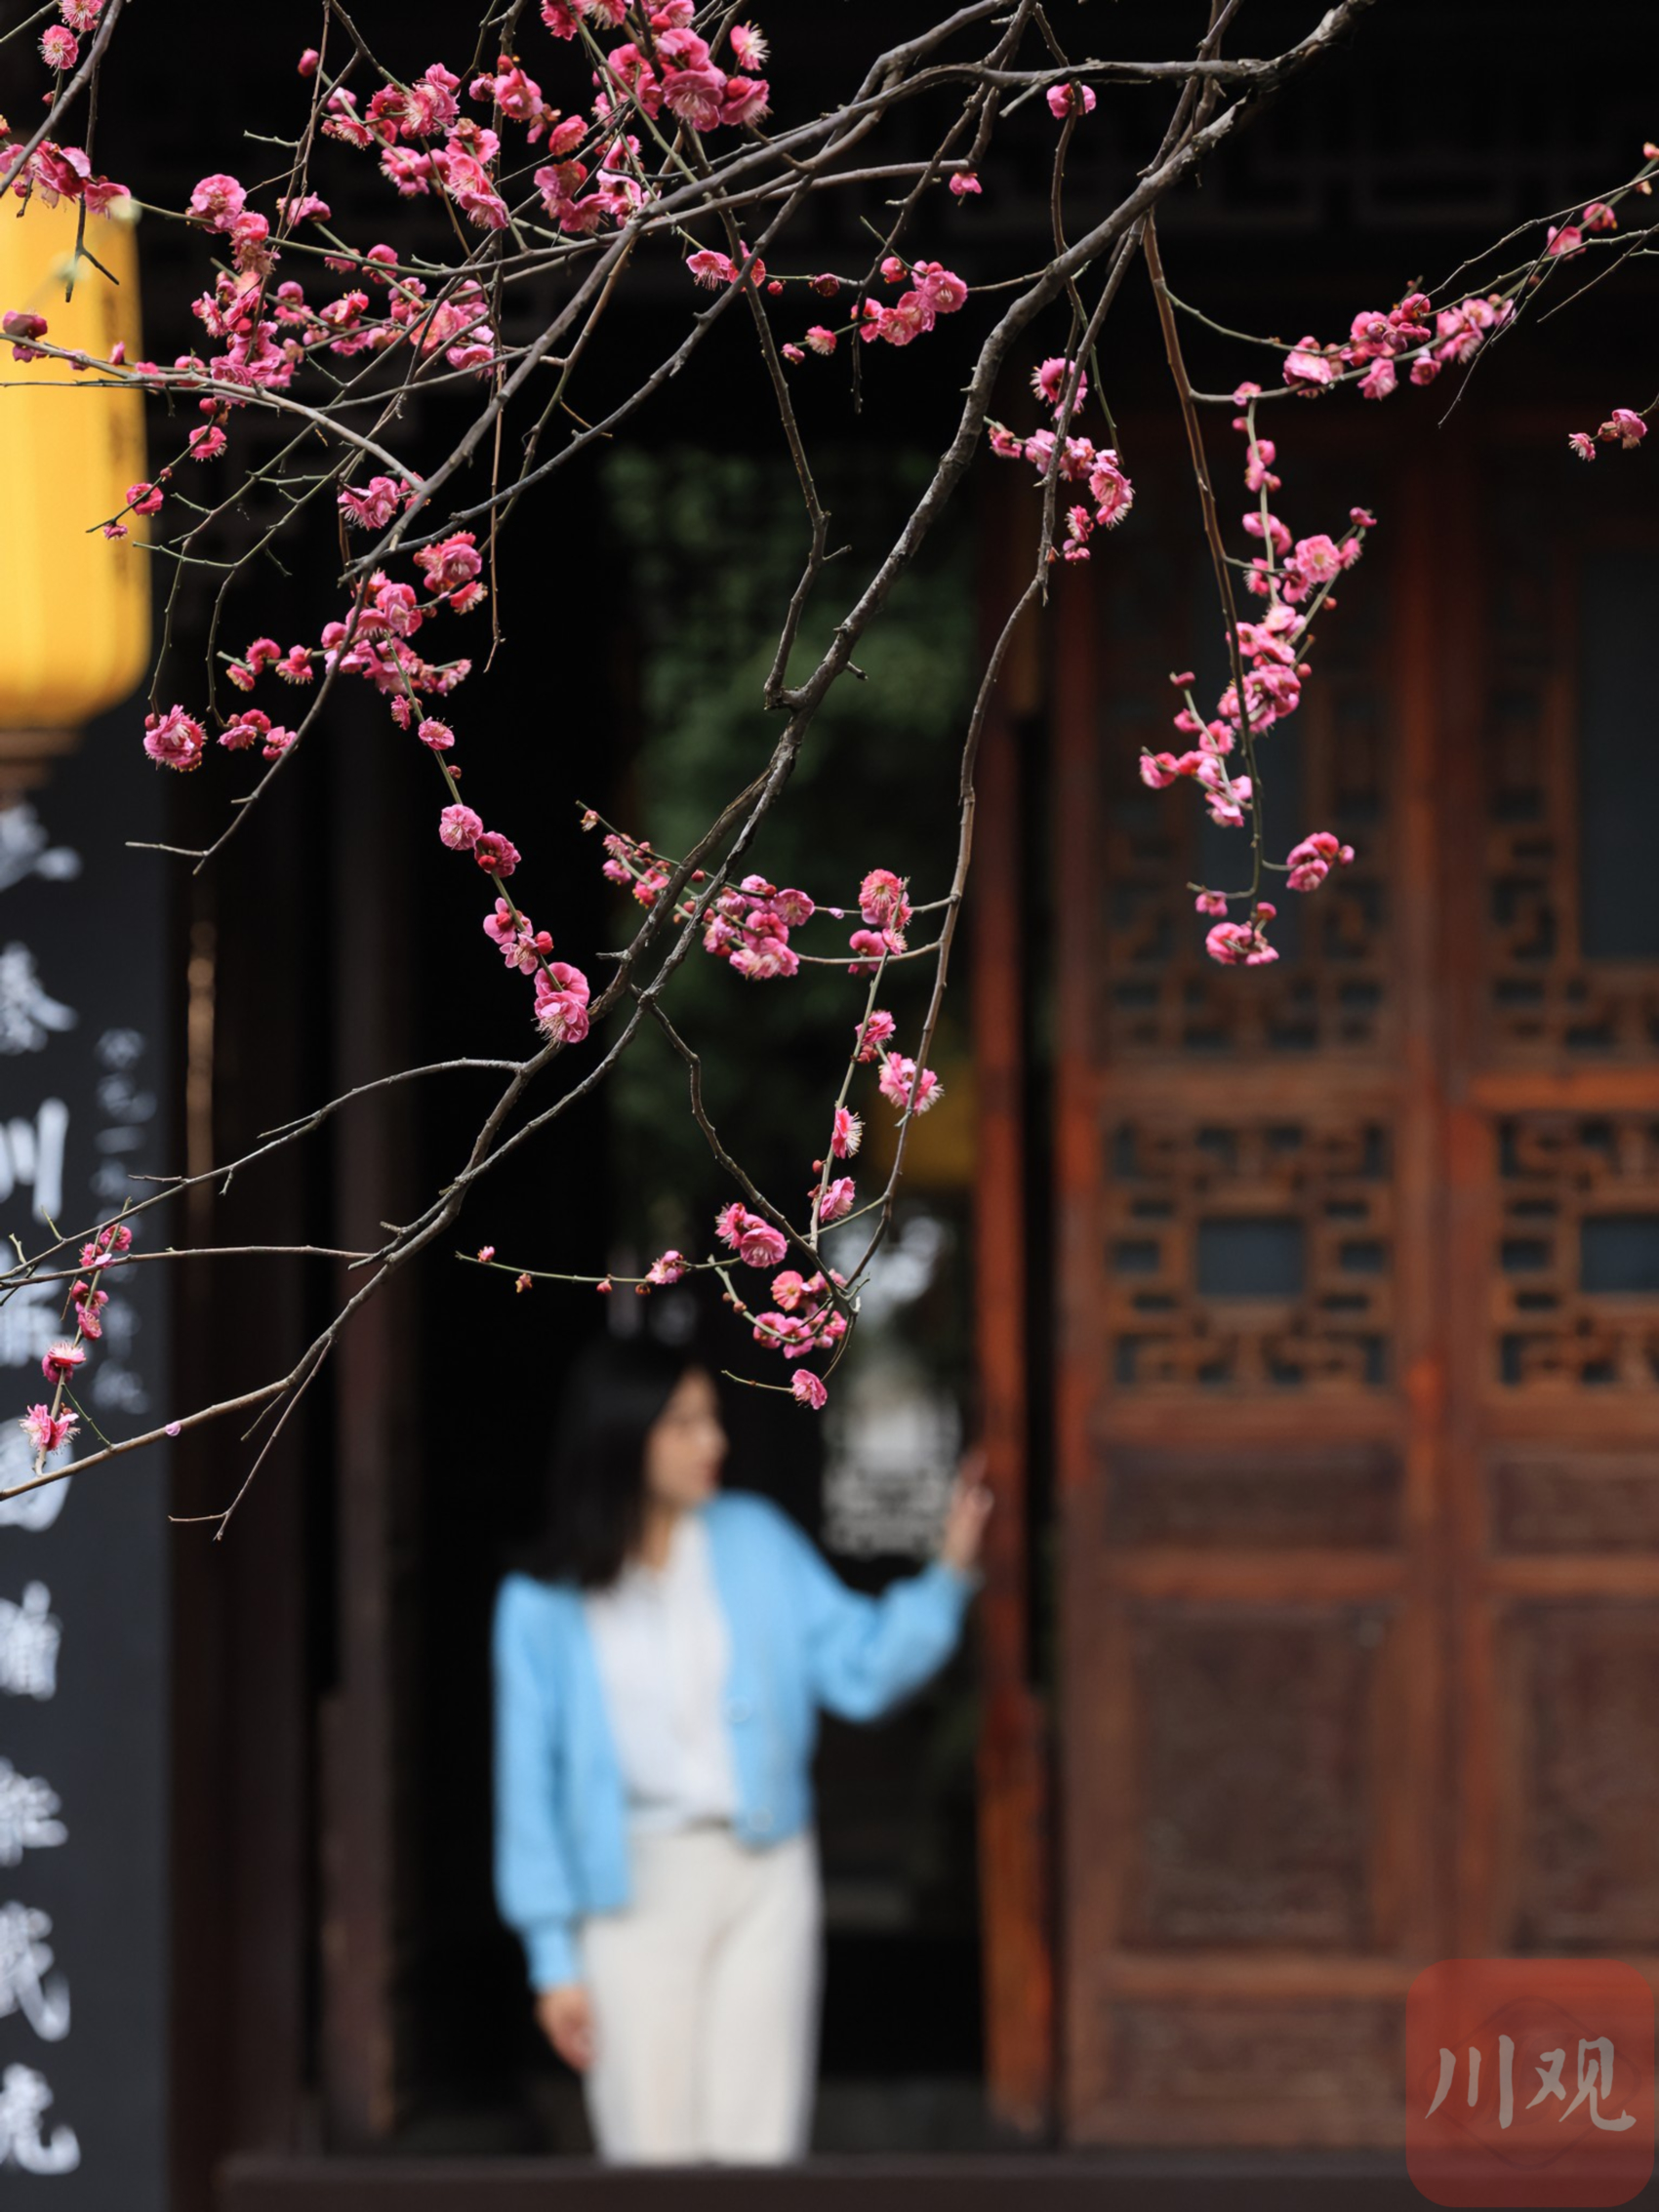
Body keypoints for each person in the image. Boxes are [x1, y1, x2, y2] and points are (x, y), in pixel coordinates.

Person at [493, 1334, 991, 2165]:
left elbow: (860, 1667)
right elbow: (527, 1795)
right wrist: (553, 1960)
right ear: (621, 1433)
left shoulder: (754, 1541)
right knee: (650, 2149)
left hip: (765, 1873)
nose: (712, 1441)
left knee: (758, 2146)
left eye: (713, 1419)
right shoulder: (540, 1605)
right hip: (627, 1886)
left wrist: (947, 1574)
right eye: (684, 1422)